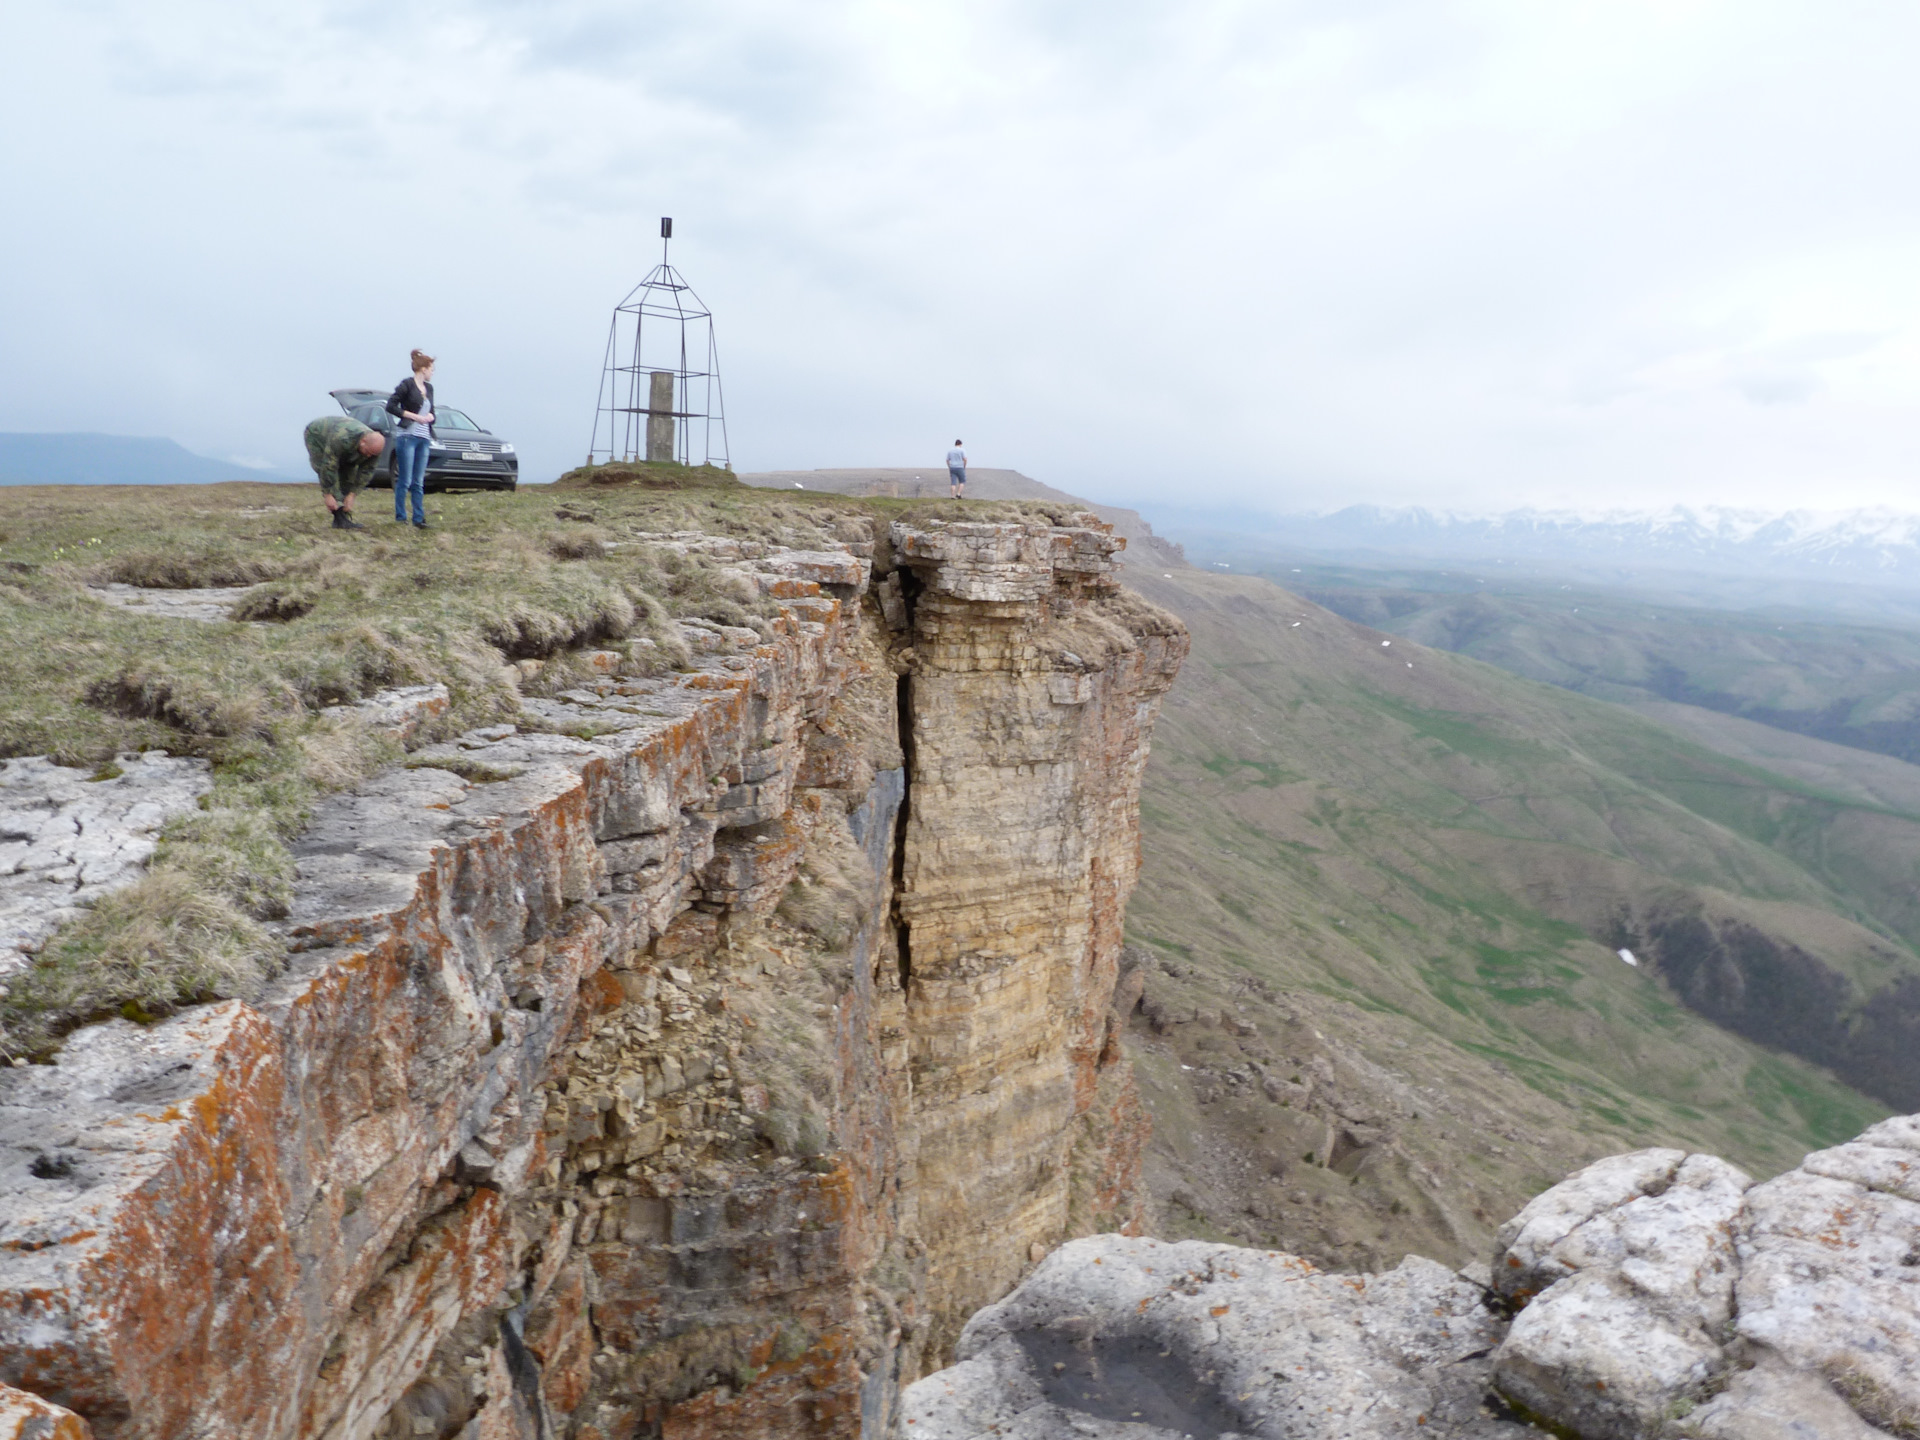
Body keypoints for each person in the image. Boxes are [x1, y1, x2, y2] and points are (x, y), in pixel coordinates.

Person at [302, 414, 384, 530]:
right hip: (317, 435)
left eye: (372, 454)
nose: (368, 456)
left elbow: (366, 471)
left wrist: (352, 494)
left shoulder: (374, 448)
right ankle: (338, 516)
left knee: (348, 474)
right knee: (327, 471)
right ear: (363, 441)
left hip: (346, 444)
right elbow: (328, 466)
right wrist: (328, 494)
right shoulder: (342, 438)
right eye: (367, 452)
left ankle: (342, 517)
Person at [385, 350, 435, 528]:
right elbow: (391, 406)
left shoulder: (429, 389)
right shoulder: (406, 385)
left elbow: (432, 413)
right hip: (407, 436)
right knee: (405, 479)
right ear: (423, 369)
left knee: (418, 480)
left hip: (424, 438)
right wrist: (414, 416)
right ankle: (401, 517)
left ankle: (419, 518)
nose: (432, 372)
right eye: (431, 369)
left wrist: (430, 418)